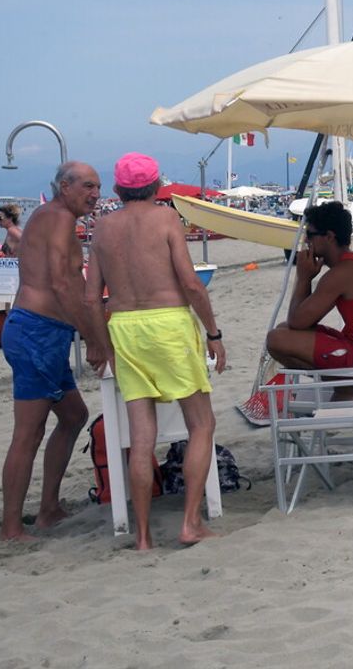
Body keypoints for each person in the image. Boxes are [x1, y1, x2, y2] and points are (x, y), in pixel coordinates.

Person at [83, 153, 225, 549]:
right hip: (169, 326)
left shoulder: (102, 228)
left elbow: (91, 299)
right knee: (201, 424)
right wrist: (213, 333)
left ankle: (143, 537)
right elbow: (192, 284)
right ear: (159, 185)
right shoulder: (166, 219)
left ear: (116, 189)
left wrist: (102, 343)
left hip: (125, 328)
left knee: (141, 439)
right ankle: (190, 524)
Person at [0, 161, 102, 542]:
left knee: (74, 416)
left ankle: (49, 509)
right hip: (35, 333)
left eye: (98, 186)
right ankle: (11, 528)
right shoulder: (57, 218)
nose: (95, 193)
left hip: (47, 333)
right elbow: (61, 283)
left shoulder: (53, 217)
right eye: (88, 186)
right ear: (64, 186)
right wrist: (93, 338)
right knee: (28, 432)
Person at [265, 201, 353, 385]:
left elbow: (298, 322)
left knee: (276, 339)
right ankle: (341, 385)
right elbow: (299, 322)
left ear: (329, 237)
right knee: (283, 329)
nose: (306, 241)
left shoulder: (341, 273)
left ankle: (346, 388)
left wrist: (304, 277)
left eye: (310, 234)